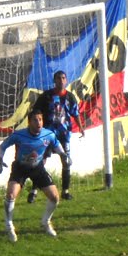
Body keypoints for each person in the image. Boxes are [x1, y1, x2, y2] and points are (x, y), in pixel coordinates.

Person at [0, 109, 71, 242]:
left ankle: (45, 222)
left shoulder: (49, 135)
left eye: (40, 119)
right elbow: (3, 146)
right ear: (29, 122)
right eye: (35, 120)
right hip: (20, 168)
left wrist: (64, 155)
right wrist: (0, 160)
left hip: (37, 168)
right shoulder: (19, 135)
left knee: (54, 197)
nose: (39, 123)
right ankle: (9, 226)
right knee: (11, 195)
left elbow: (57, 145)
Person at [28, 70, 84, 202]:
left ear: (66, 80)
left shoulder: (70, 97)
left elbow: (75, 113)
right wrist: (34, 128)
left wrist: (81, 127)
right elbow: (35, 112)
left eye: (63, 78)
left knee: (66, 160)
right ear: (54, 80)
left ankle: (65, 191)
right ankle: (34, 191)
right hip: (47, 135)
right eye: (58, 78)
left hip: (64, 135)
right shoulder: (46, 96)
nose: (61, 80)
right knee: (40, 162)